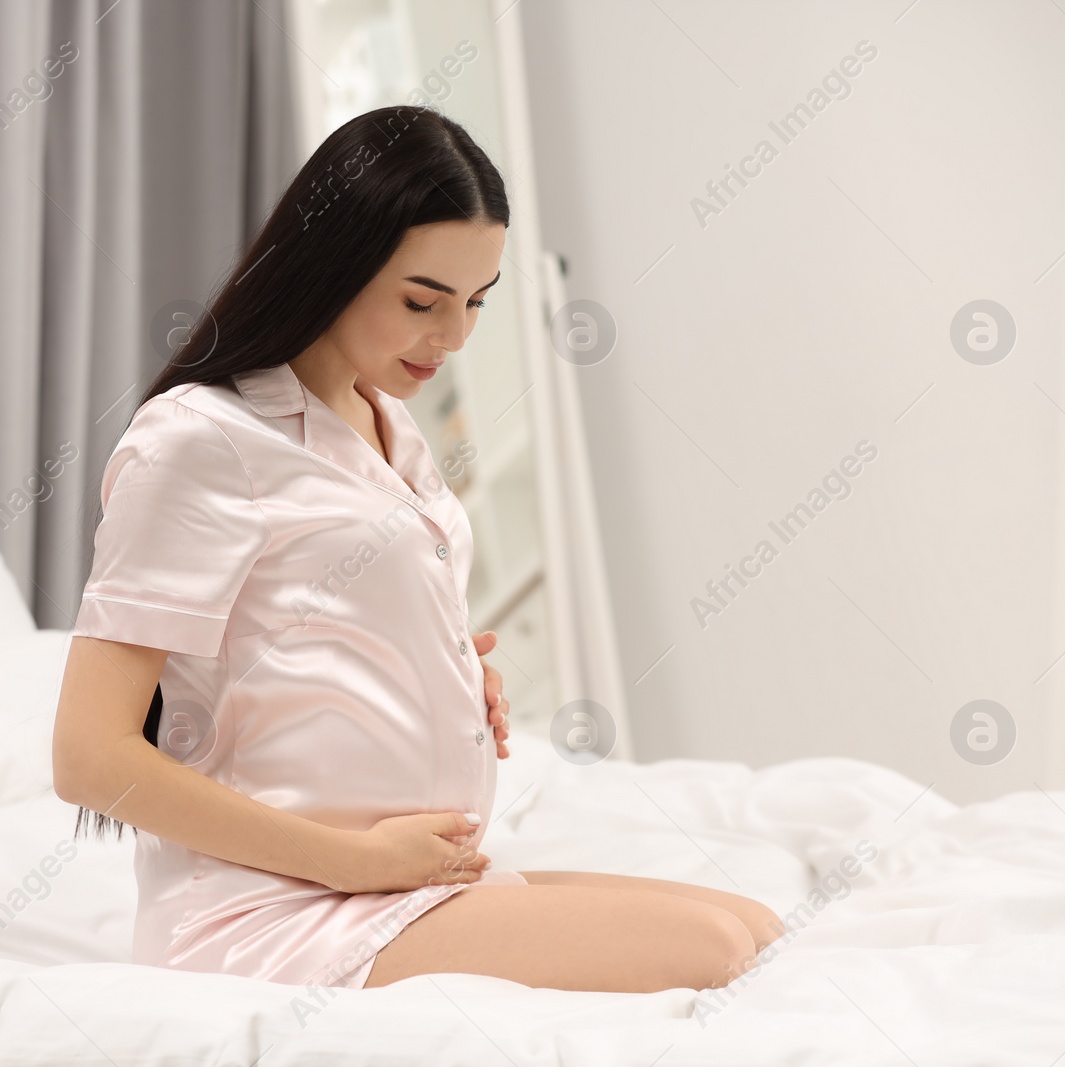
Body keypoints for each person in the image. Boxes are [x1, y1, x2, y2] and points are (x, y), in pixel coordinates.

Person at [51, 104, 782, 992]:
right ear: (332, 265)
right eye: (421, 301)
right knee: (709, 950)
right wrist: (348, 860)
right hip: (271, 910)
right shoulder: (202, 441)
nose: (455, 337)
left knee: (758, 927)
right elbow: (89, 756)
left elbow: (317, 621)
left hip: (403, 879)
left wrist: (439, 671)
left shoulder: (388, 424)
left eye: (476, 302)